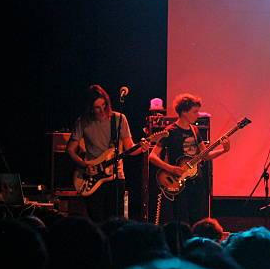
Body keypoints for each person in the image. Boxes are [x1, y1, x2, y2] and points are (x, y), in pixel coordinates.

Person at [67, 84, 149, 222]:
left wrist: (142, 148)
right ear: (90, 108)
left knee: (115, 222)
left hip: (115, 177)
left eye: (104, 105)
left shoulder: (119, 119)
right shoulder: (83, 121)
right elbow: (70, 149)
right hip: (92, 177)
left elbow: (130, 148)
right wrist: (84, 165)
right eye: (97, 108)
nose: (102, 110)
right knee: (96, 221)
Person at [149, 93, 229, 224]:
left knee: (197, 219)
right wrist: (171, 169)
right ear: (184, 112)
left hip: (196, 181)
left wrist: (224, 150)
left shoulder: (195, 130)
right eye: (195, 112)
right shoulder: (170, 131)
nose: (198, 115)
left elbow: (205, 155)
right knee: (182, 219)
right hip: (179, 182)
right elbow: (152, 156)